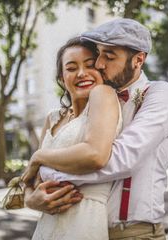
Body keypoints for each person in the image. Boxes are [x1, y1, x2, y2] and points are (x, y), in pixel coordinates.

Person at [23, 18, 168, 239]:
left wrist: (45, 168)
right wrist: (31, 198)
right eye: (100, 54)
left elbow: (117, 159)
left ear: (138, 60)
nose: (99, 64)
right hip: (84, 227)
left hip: (134, 232)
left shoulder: (158, 94)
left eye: (109, 56)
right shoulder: (94, 101)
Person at [23, 37, 122, 239]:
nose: (82, 73)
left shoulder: (104, 95)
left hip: (84, 221)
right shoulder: (52, 118)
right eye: (71, 68)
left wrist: (39, 157)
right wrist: (31, 200)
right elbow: (30, 180)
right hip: (45, 227)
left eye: (90, 65)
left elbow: (95, 155)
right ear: (61, 78)